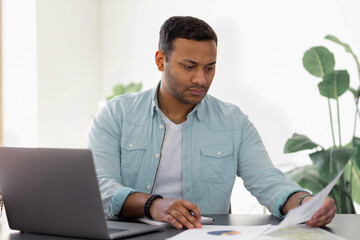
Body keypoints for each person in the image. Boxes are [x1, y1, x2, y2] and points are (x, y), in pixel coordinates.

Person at [88, 16, 336, 230]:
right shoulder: (116, 114)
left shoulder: (233, 121)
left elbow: (268, 182)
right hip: (131, 235)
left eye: (210, 67)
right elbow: (99, 187)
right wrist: (152, 204)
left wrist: (307, 204)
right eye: (189, 66)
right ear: (160, 61)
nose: (201, 79)